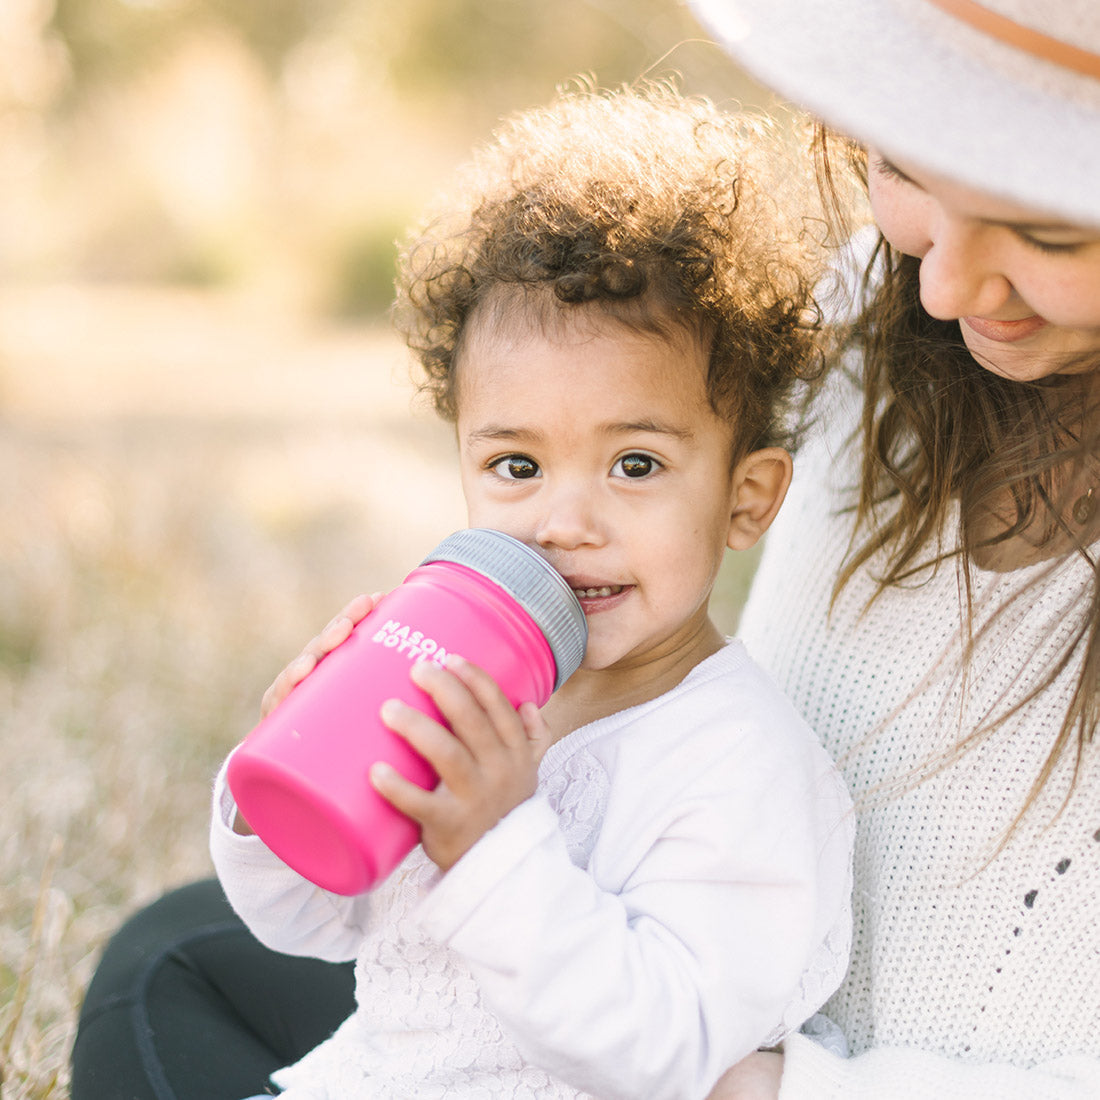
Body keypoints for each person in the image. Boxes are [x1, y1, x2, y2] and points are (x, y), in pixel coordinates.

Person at [72, 85, 854, 1099]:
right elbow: (316, 920)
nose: (562, 522)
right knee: (154, 977)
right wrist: (290, 782)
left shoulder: (739, 763)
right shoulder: (470, 682)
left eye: (634, 465)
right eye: (516, 466)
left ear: (745, 498)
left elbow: (671, 1050)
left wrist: (494, 843)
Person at [683, 1, 1100, 1097]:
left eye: (1049, 232)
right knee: (189, 961)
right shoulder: (870, 311)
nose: (941, 287)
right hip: (671, 1007)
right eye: (903, 171)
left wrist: (773, 1088)